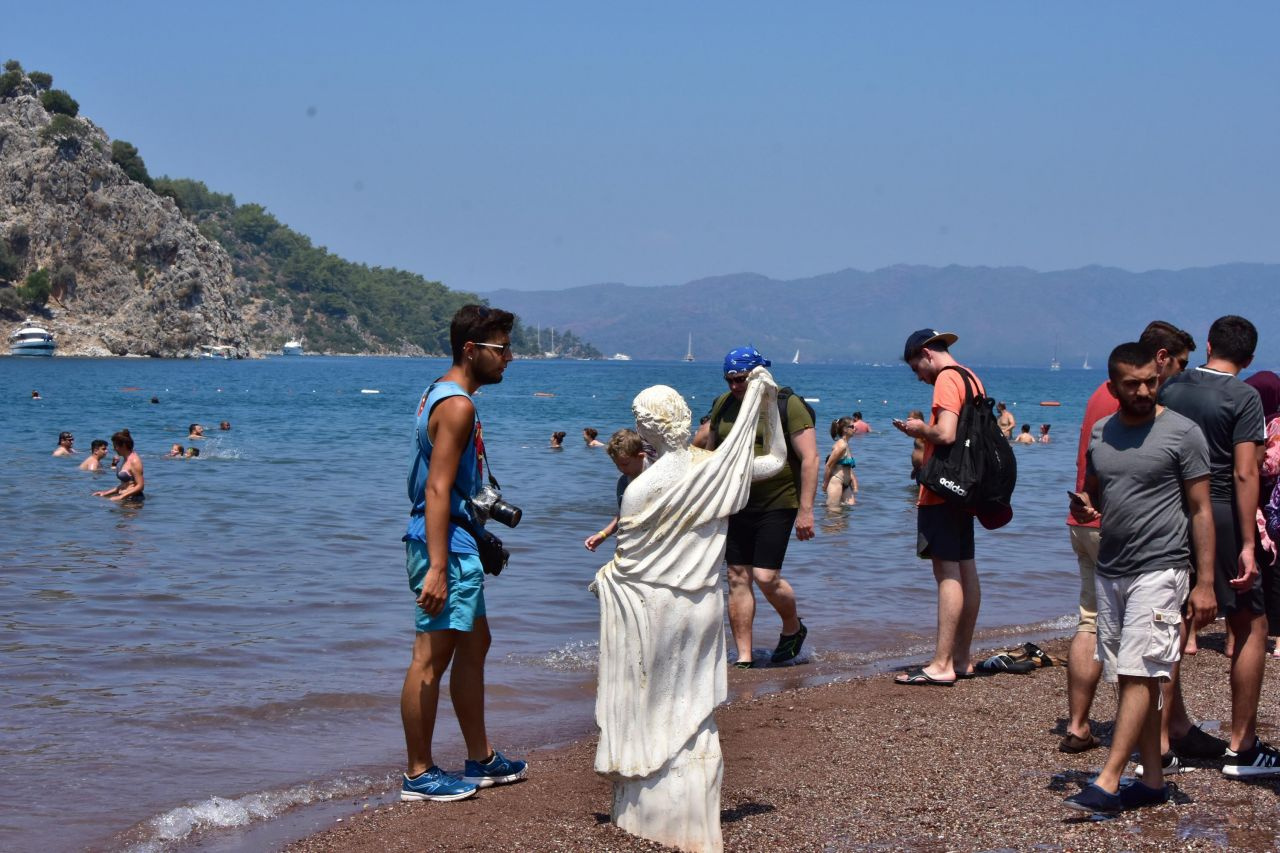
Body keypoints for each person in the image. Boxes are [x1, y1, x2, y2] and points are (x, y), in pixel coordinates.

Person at [593, 368, 786, 850]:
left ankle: (652, 809)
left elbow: (631, 565)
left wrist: (604, 580)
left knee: (651, 703)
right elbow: (778, 460)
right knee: (692, 711)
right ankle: (692, 816)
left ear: (646, 430)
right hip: (701, 604)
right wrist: (767, 403)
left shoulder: (642, 488)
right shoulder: (714, 469)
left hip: (654, 609)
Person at [1062, 341, 1215, 813]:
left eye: (1152, 380)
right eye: (1134, 384)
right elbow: (1097, 492)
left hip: (1162, 568)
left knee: (1138, 672)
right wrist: (1086, 505)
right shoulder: (1103, 432)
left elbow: (1201, 509)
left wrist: (1205, 582)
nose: (1145, 390)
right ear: (1114, 387)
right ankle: (1151, 782)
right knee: (1136, 678)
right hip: (1111, 569)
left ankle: (1108, 780)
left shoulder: (1183, 433)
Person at [398, 304, 527, 803]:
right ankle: (419, 774)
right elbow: (435, 488)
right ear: (471, 350)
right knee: (429, 659)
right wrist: (436, 566)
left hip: (456, 538)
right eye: (501, 349)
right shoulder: (457, 406)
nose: (509, 359)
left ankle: (481, 757)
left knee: (476, 646)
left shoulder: (442, 393)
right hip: (443, 545)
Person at [1159, 315, 1276, 777]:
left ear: (1207, 346)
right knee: (1251, 623)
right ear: (1247, 360)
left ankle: (1165, 738)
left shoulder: (1171, 387)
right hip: (1224, 511)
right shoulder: (1244, 396)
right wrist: (1250, 542)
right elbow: (1246, 472)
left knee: (1170, 618)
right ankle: (1242, 747)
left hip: (1172, 509)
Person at [693, 345, 818, 668]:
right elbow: (710, 451)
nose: (735, 386)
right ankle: (744, 657)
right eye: (730, 379)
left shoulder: (787, 405)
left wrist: (807, 509)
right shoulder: (723, 404)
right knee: (736, 576)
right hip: (735, 503)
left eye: (742, 379)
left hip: (779, 500)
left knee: (765, 576)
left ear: (758, 375)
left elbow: (810, 459)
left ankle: (793, 628)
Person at [892, 329, 986, 686]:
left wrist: (919, 429)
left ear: (927, 354)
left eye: (916, 367)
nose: (918, 375)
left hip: (943, 488)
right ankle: (961, 658)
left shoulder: (946, 379)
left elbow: (945, 433)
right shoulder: (971, 377)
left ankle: (942, 664)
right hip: (967, 488)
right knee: (966, 570)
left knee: (947, 573)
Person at [1243, 371, 1280, 658]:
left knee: (1271, 569)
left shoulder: (1270, 425)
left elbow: (1269, 467)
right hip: (1267, 506)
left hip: (1267, 506)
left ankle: (1274, 633)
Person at [585, 429, 648, 552]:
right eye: (616, 464)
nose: (620, 469)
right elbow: (623, 514)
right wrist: (603, 535)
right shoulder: (623, 482)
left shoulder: (657, 472)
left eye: (625, 464)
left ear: (641, 456)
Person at [93, 430, 145, 502]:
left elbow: (140, 486)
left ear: (123, 445)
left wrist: (121, 497)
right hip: (126, 498)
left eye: (115, 446)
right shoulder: (125, 458)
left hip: (133, 500)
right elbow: (125, 484)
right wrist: (105, 493)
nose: (114, 449)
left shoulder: (134, 461)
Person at [822, 418, 858, 507]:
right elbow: (828, 465)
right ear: (845, 429)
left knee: (850, 510)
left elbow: (847, 467)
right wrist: (825, 484)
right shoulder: (841, 445)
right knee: (834, 515)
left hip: (846, 485)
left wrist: (854, 484)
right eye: (852, 426)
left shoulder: (846, 445)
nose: (855, 429)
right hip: (836, 482)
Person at [907, 409, 925, 481]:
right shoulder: (917, 436)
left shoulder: (924, 434)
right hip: (918, 470)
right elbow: (919, 451)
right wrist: (915, 469)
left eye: (910, 421)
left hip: (924, 469)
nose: (907, 423)